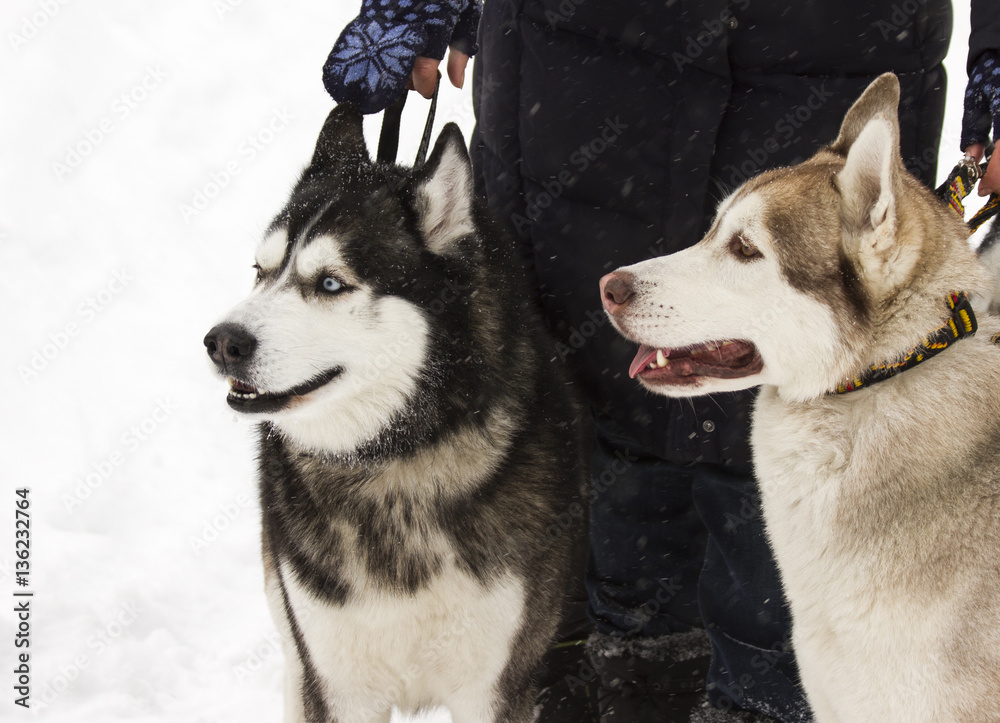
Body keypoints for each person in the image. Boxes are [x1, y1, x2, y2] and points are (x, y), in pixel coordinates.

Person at [323, 1, 1000, 721]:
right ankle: (624, 670)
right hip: (584, 75)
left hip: (823, 60)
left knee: (828, 395)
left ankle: (766, 696)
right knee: (582, 387)